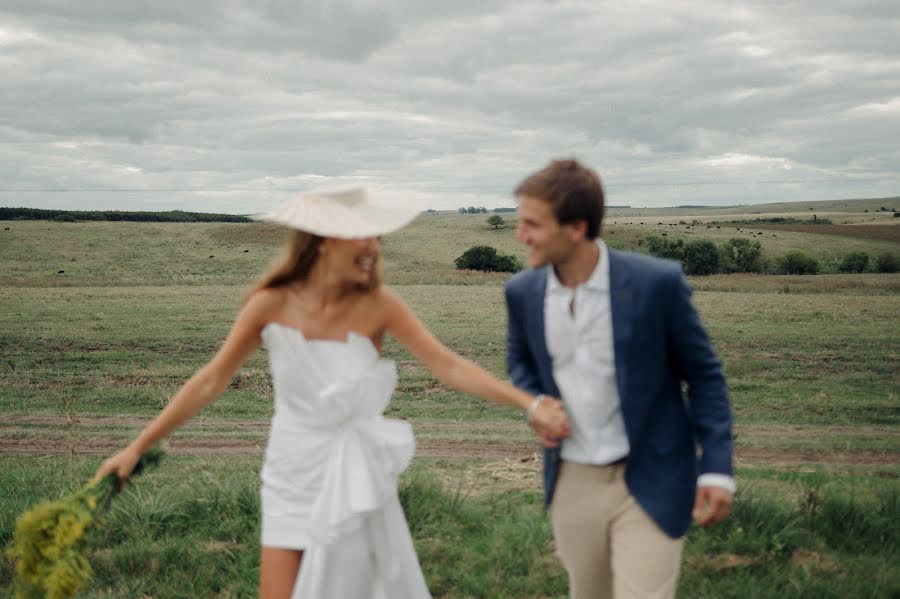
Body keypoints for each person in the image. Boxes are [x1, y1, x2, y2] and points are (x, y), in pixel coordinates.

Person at [95, 187, 570, 599]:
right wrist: (136, 447)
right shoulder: (269, 304)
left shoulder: (379, 306)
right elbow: (210, 379)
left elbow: (447, 365)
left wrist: (528, 404)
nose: (374, 246)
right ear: (323, 241)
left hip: (353, 477)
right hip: (290, 473)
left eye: (376, 236)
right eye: (362, 235)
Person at [506, 159, 735, 599]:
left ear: (575, 228)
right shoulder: (522, 292)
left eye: (532, 224)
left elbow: (705, 375)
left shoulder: (657, 283)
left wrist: (717, 469)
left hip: (653, 473)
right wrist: (535, 403)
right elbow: (520, 364)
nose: (521, 236)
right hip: (572, 477)